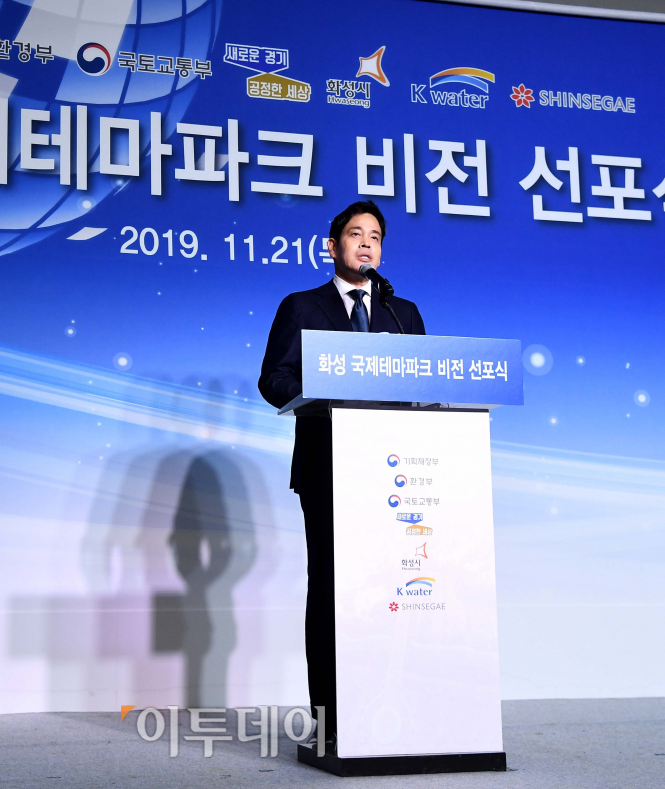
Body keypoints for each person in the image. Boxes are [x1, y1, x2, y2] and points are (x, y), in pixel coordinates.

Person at [257, 200, 426, 747]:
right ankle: (330, 717)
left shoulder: (403, 314)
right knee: (332, 589)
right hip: (328, 467)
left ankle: (392, 707)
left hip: (394, 472)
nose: (366, 243)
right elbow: (274, 378)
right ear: (333, 246)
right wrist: (320, 396)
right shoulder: (302, 306)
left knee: (391, 590)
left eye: (375, 236)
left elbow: (421, 386)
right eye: (355, 234)